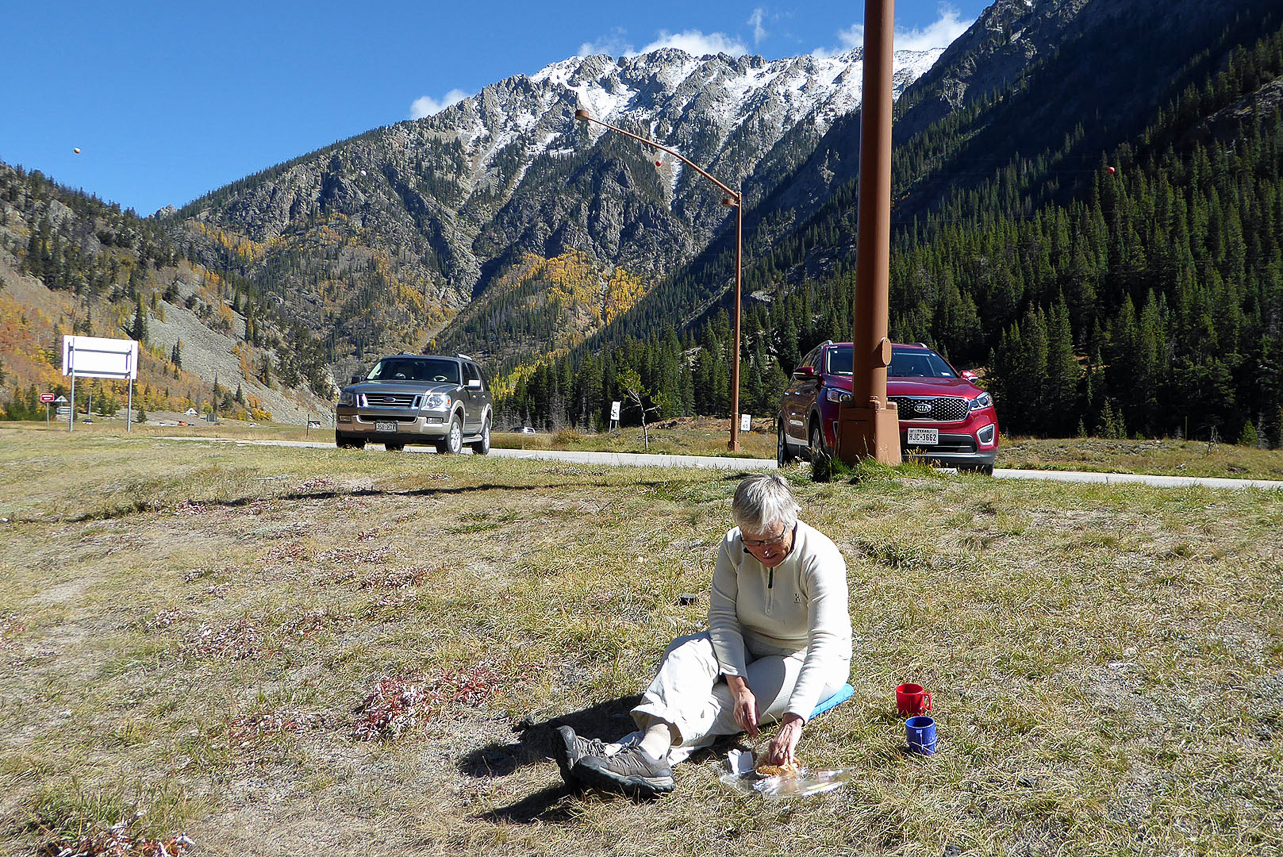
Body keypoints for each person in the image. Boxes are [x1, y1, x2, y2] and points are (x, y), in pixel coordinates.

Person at [555, 473, 852, 797]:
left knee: (719, 702)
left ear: (792, 518)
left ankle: (613, 754)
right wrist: (740, 685)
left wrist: (793, 721)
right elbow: (723, 620)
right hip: (747, 639)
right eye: (753, 541)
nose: (763, 551)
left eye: (771, 540)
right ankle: (647, 758)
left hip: (803, 657)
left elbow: (822, 644)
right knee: (684, 653)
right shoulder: (733, 546)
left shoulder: (821, 558)